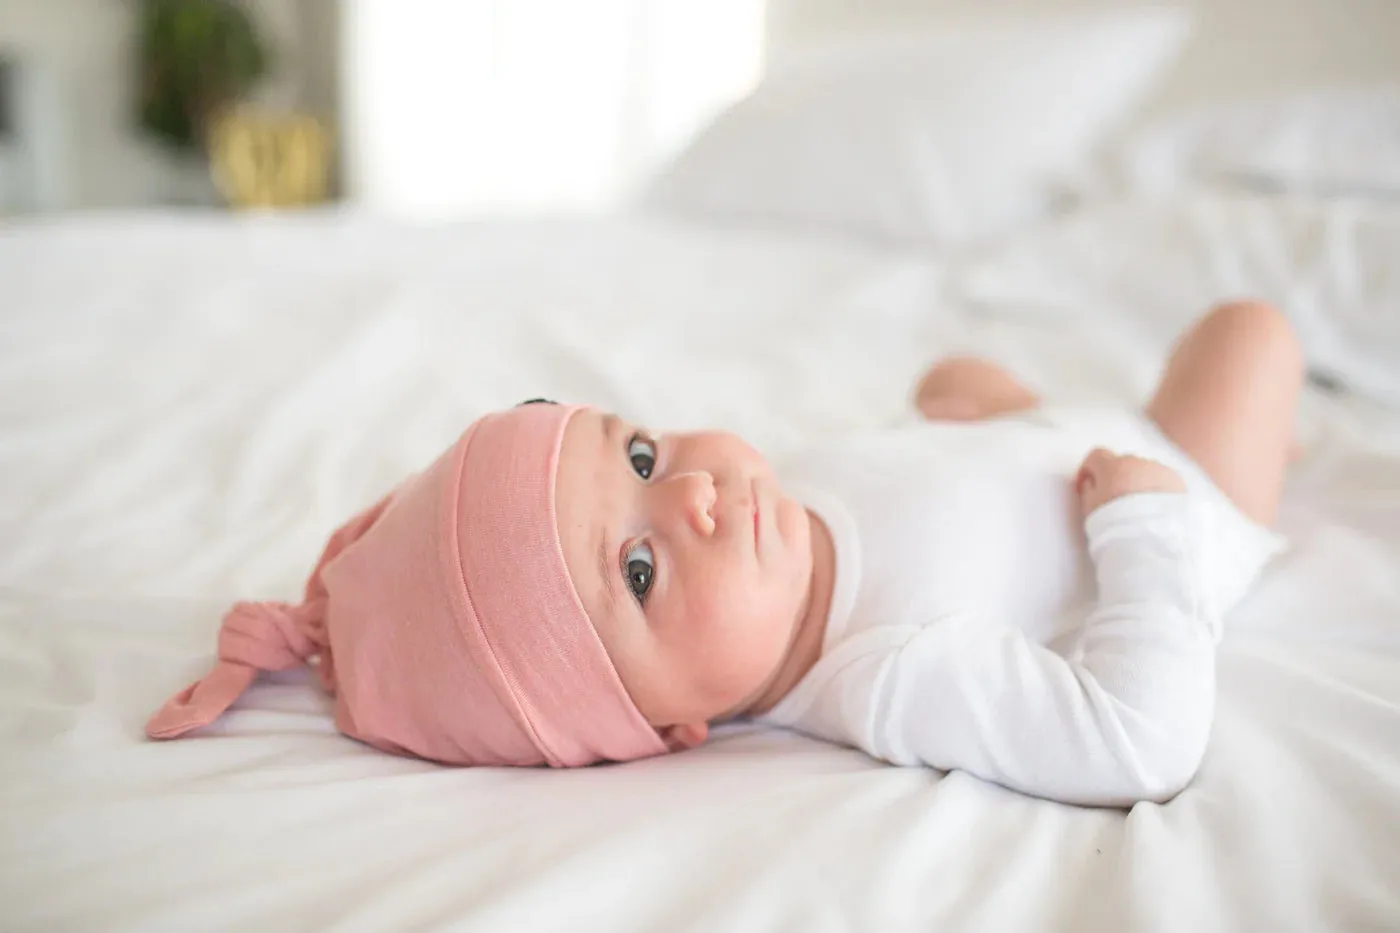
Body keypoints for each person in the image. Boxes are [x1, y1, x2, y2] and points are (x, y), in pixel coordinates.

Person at [147, 301, 1303, 807]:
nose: (696, 492)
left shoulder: (764, 525)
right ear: (665, 732)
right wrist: (1147, 522)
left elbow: (869, 494)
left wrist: (952, 440)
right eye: (638, 574)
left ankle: (995, 416)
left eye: (641, 454)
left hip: (1026, 444)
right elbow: (1140, 742)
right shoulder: (894, 674)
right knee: (1248, 335)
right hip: (1166, 478)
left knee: (948, 381)